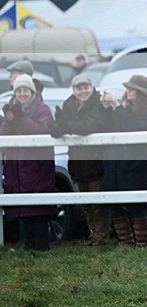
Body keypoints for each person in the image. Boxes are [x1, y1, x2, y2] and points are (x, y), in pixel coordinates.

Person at [49, 74, 111, 246]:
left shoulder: (99, 102)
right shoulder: (68, 104)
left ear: (91, 87)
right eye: (79, 88)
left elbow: (93, 125)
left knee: (98, 202)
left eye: (86, 87)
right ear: (74, 90)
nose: (83, 91)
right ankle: (93, 234)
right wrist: (57, 128)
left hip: (96, 160)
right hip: (77, 161)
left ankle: (101, 237)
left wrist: (66, 127)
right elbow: (61, 124)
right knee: (86, 203)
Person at [100, 75, 147, 246]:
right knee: (114, 204)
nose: (128, 91)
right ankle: (126, 242)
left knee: (136, 205)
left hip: (135, 165)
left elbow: (134, 126)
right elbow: (109, 126)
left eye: (132, 89)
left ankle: (141, 243)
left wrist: (118, 106)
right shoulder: (124, 109)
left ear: (141, 93)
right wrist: (106, 107)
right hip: (116, 163)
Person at [0, 75, 57, 251]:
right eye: (19, 90)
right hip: (17, 166)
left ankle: (41, 244)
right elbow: (4, 136)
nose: (22, 94)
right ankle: (25, 241)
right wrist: (9, 120)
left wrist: (21, 117)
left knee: (37, 205)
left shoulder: (43, 109)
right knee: (22, 205)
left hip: (37, 166)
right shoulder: (14, 109)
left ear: (32, 91)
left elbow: (40, 131)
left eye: (25, 90)